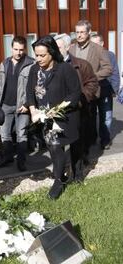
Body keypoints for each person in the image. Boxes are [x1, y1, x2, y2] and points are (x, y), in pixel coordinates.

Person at [26, 35, 81, 199]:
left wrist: (58, 109)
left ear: (52, 53)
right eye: (36, 55)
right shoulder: (34, 69)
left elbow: (75, 93)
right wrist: (33, 111)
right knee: (55, 148)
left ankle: (77, 173)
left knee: (72, 147)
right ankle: (60, 179)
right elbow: (30, 93)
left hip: (65, 117)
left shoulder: (65, 69)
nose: (38, 58)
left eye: (42, 55)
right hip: (45, 118)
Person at [55, 33, 98, 182]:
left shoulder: (82, 64)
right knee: (57, 146)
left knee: (76, 145)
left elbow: (92, 83)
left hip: (76, 112)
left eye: (58, 47)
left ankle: (77, 176)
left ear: (67, 47)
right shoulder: (50, 66)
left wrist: (79, 100)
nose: (55, 50)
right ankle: (59, 177)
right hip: (56, 113)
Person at [69, 20, 112, 152]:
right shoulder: (71, 48)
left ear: (88, 33)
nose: (79, 35)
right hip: (75, 90)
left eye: (82, 32)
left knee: (90, 118)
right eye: (77, 32)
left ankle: (90, 146)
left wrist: (93, 77)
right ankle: (82, 145)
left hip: (91, 90)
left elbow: (108, 69)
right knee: (78, 121)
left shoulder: (98, 49)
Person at [0, 36, 34, 172]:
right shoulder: (4, 63)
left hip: (22, 106)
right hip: (5, 105)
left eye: (21, 50)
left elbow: (34, 88)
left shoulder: (31, 64)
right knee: (4, 134)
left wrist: (28, 104)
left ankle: (21, 162)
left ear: (25, 49)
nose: (18, 52)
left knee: (21, 135)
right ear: (11, 48)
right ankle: (7, 157)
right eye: (16, 49)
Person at [91, 33, 120, 150]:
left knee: (106, 117)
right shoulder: (88, 56)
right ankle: (92, 138)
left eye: (96, 44)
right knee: (91, 116)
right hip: (91, 92)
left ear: (102, 43)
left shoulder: (110, 55)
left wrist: (115, 89)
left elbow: (115, 73)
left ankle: (105, 140)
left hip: (106, 91)